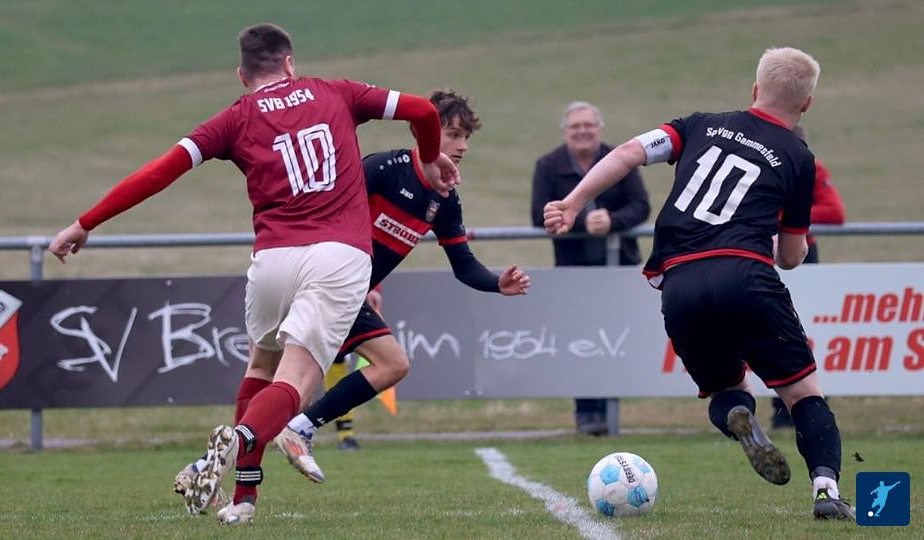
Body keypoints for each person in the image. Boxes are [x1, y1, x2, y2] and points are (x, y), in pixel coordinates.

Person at [49, 23, 459, 525]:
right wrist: (430, 156)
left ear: (242, 76)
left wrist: (84, 223)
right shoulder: (336, 92)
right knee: (297, 383)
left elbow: (159, 172)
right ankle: (240, 438)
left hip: (272, 264)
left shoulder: (233, 118)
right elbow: (422, 111)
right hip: (337, 256)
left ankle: (244, 499)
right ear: (290, 63)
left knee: (261, 368)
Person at [544, 47, 854, 520]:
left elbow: (627, 153)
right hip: (746, 276)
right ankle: (826, 491)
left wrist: (572, 202)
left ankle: (738, 414)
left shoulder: (699, 125)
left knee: (726, 388)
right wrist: (777, 239)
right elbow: (792, 257)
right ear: (807, 104)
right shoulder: (799, 156)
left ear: (755, 89)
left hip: (680, 282)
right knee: (803, 393)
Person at [275, 89, 532, 483]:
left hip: (348, 296)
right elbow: (325, 214)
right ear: (422, 131)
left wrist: (499, 283)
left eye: (466, 137)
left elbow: (464, 266)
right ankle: (276, 440)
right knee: (292, 383)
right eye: (453, 134)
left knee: (375, 368)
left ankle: (273, 440)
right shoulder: (384, 169)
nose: (462, 146)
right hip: (321, 286)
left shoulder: (444, 199)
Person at [530, 101, 650, 436]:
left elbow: (641, 206)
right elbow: (537, 213)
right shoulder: (548, 165)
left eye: (588, 125)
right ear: (565, 131)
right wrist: (583, 220)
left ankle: (612, 411)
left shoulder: (621, 159)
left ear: (599, 128)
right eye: (575, 126)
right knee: (580, 340)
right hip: (574, 270)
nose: (582, 131)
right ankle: (586, 414)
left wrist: (612, 221)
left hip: (620, 267)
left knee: (618, 338)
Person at [770, 123, 845, 429]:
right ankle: (783, 405)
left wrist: (790, 220)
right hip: (759, 257)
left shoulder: (812, 170)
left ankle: (805, 404)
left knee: (801, 329)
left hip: (800, 256)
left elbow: (835, 213)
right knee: (773, 330)